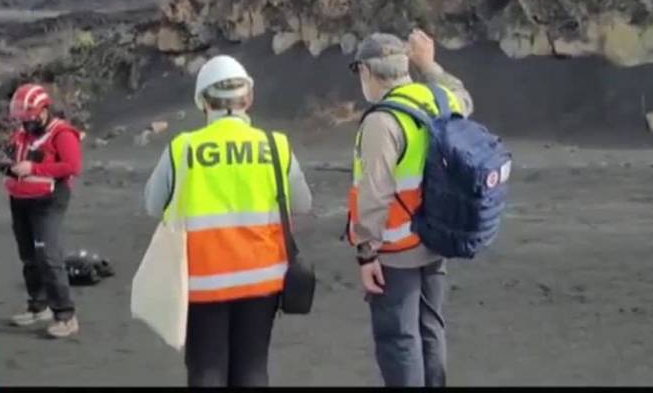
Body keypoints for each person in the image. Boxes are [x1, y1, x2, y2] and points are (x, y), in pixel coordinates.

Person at [143, 54, 313, 387]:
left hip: (202, 281)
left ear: (203, 102)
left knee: (206, 369)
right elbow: (303, 203)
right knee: (252, 368)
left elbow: (153, 205)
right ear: (247, 98)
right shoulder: (274, 146)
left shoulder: (182, 149)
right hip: (262, 280)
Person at [346, 29, 474, 387]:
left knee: (399, 338)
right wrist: (430, 65)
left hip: (396, 249)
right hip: (436, 238)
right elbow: (465, 98)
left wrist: (366, 253)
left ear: (367, 71)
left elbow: (375, 192)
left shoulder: (381, 121)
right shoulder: (438, 99)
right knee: (431, 328)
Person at [5, 83, 82, 339]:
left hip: (49, 199)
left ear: (43, 110)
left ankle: (66, 316)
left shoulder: (62, 134)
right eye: (22, 119)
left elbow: (71, 166)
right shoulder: (24, 132)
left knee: (48, 255)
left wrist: (33, 169)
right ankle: (38, 306)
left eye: (29, 117)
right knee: (28, 255)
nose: (25, 123)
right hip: (20, 198)